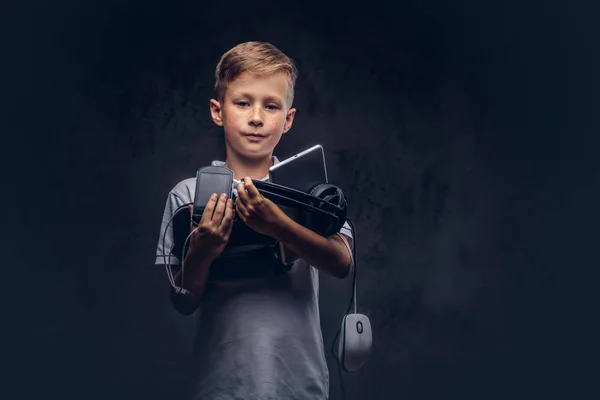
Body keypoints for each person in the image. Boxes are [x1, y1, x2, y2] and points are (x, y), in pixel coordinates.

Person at [155, 41, 354, 400]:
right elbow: (183, 301)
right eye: (243, 102)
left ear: (288, 119)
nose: (257, 117)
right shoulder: (186, 195)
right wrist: (202, 251)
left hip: (299, 382)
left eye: (271, 105)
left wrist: (278, 225)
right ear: (218, 111)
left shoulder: (308, 188)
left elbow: (341, 263)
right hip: (221, 383)